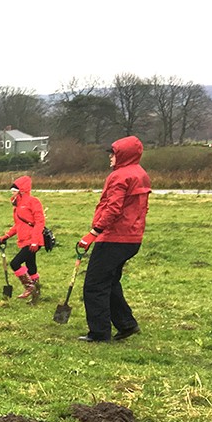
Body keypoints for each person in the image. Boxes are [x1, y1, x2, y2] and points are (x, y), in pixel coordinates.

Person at [76, 136, 151, 342]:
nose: (110, 157)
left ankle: (99, 333)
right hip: (133, 237)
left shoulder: (119, 176)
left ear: (123, 155)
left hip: (114, 237)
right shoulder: (141, 174)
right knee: (109, 282)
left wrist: (95, 231)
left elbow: (113, 207)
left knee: (94, 284)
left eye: (113, 153)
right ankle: (127, 324)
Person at [0, 175, 45, 301]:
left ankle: (30, 287)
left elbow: (39, 222)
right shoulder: (17, 205)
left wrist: (35, 241)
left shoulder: (33, 201)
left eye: (15, 189)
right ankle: (36, 294)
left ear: (22, 190)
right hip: (24, 240)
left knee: (15, 263)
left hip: (33, 241)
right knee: (31, 267)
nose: (12, 192)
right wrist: (6, 236)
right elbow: (19, 224)